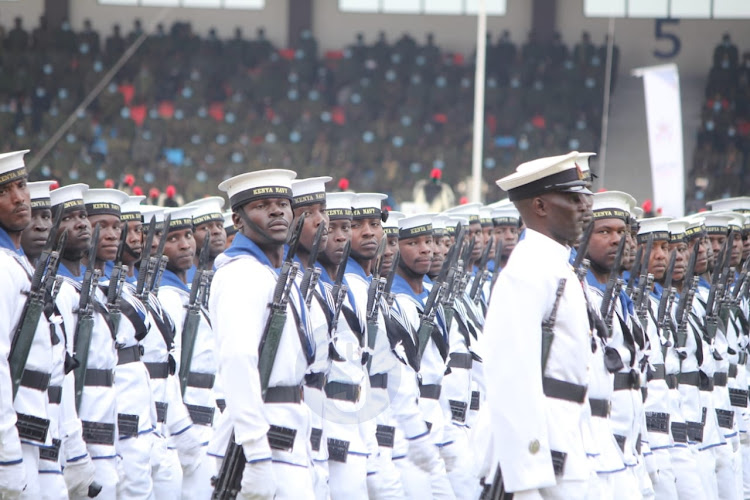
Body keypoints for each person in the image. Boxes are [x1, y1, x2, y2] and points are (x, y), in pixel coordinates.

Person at [486, 151, 593, 498]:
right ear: (541, 206)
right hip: (544, 454)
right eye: (573, 198)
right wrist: (527, 477)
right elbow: (512, 376)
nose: (584, 206)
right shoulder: (528, 268)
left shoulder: (556, 264)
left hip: (569, 442)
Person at [210, 169, 315, 499]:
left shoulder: (274, 275)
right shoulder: (242, 274)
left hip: (290, 439)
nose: (277, 211)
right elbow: (238, 360)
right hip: (264, 445)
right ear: (237, 220)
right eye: (263, 205)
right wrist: (255, 453)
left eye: (283, 203)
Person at [50, 183, 120, 498]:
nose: (81, 223)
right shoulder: (58, 289)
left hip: (106, 423)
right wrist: (76, 446)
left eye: (82, 216)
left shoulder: (83, 286)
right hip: (80, 429)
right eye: (69, 218)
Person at [157, 204, 219, 500]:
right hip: (187, 429)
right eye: (172, 238)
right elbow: (169, 370)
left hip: (205, 424)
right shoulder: (168, 297)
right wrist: (184, 433)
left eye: (187, 236)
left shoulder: (183, 293)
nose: (184, 245)